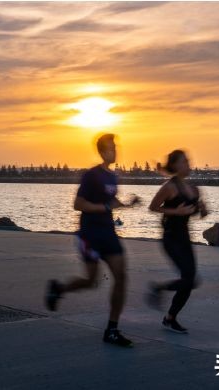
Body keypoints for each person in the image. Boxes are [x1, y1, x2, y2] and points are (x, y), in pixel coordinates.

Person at [45, 133, 140, 347]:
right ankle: (59, 289)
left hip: (108, 234)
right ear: (102, 151)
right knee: (90, 281)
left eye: (115, 147)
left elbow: (110, 201)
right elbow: (78, 204)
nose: (115, 151)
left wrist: (127, 204)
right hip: (90, 234)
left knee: (121, 277)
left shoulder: (112, 176)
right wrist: (104, 207)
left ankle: (112, 329)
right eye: (111, 148)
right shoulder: (91, 175)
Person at [146, 149, 208, 333]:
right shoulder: (169, 187)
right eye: (184, 161)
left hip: (184, 237)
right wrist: (176, 212)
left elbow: (198, 214)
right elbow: (153, 207)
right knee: (188, 279)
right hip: (171, 237)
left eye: (188, 160)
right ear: (175, 165)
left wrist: (203, 209)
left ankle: (170, 318)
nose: (188, 164)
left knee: (191, 280)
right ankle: (159, 290)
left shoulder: (194, 189)